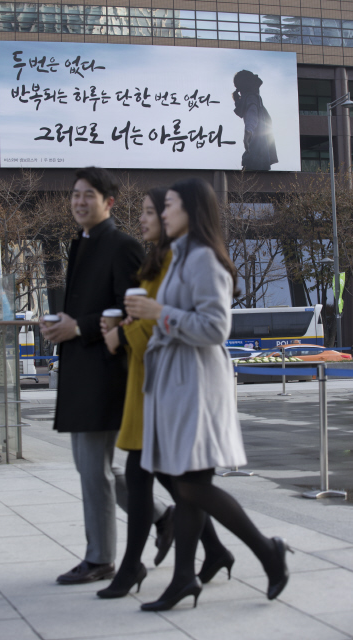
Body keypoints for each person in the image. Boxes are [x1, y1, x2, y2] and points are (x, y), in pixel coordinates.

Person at [125, 178, 292, 611]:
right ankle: (185, 577)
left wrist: (159, 312)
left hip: (196, 382)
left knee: (190, 486)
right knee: (188, 486)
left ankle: (265, 550)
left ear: (193, 209)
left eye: (172, 205)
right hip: (179, 382)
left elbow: (217, 327)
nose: (163, 212)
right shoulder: (181, 256)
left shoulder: (202, 259)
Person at [97, 187, 235, 600]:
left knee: (168, 481)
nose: (143, 219)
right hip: (152, 380)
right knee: (176, 483)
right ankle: (213, 556)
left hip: (169, 382)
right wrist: (125, 328)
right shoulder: (164, 260)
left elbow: (200, 324)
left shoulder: (189, 259)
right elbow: (155, 316)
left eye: (152, 210)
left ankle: (141, 567)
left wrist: (126, 335)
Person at [40, 167, 172, 585]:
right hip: (83, 372)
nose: (79, 201)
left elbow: (127, 307)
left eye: (89, 195)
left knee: (94, 469)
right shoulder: (80, 244)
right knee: (95, 469)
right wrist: (64, 324)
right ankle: (166, 518)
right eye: (75, 195)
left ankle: (100, 559)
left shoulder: (122, 246)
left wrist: (77, 327)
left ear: (109, 202)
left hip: (105, 373)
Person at [232, 69, 278, 171]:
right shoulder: (252, 98)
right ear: (250, 83)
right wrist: (248, 131)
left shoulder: (251, 98)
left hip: (258, 153)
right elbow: (252, 115)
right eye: (253, 77)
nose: (257, 78)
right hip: (258, 155)